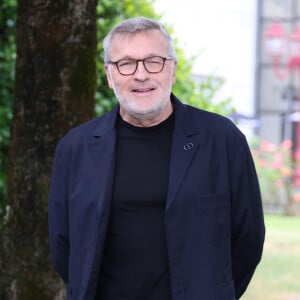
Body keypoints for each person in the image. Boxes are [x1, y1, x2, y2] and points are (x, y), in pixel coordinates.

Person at [49, 16, 265, 300]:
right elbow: (64, 245)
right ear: (109, 75)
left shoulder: (222, 140)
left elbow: (248, 240)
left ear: (172, 70)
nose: (141, 75)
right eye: (126, 63)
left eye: (154, 61)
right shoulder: (76, 148)